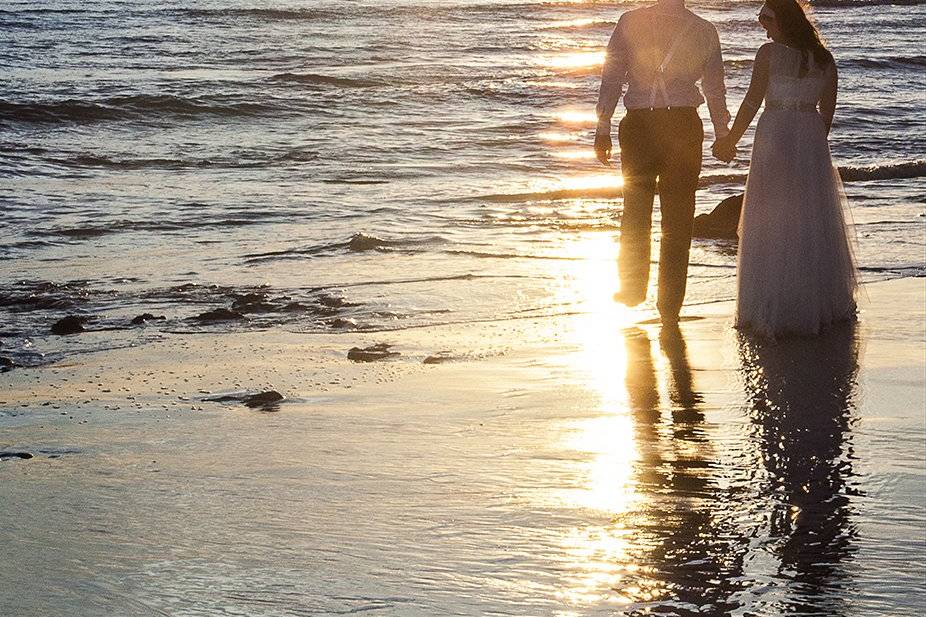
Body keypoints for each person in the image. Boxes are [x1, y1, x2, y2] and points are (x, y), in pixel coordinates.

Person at [713, 0, 858, 338]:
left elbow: (752, 101)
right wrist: (810, 143)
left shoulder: (768, 54)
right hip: (809, 135)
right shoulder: (824, 59)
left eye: (767, 20)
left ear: (780, 21)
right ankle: (816, 303)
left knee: (771, 215)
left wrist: (730, 139)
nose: (765, 28)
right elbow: (828, 112)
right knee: (810, 218)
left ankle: (768, 303)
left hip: (775, 132)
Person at [595, 0, 731, 324]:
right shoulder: (704, 29)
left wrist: (602, 127)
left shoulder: (629, 22)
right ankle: (670, 304)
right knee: (679, 217)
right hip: (683, 125)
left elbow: (611, 78)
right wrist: (722, 132)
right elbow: (715, 89)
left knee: (636, 209)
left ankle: (631, 288)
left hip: (639, 124)